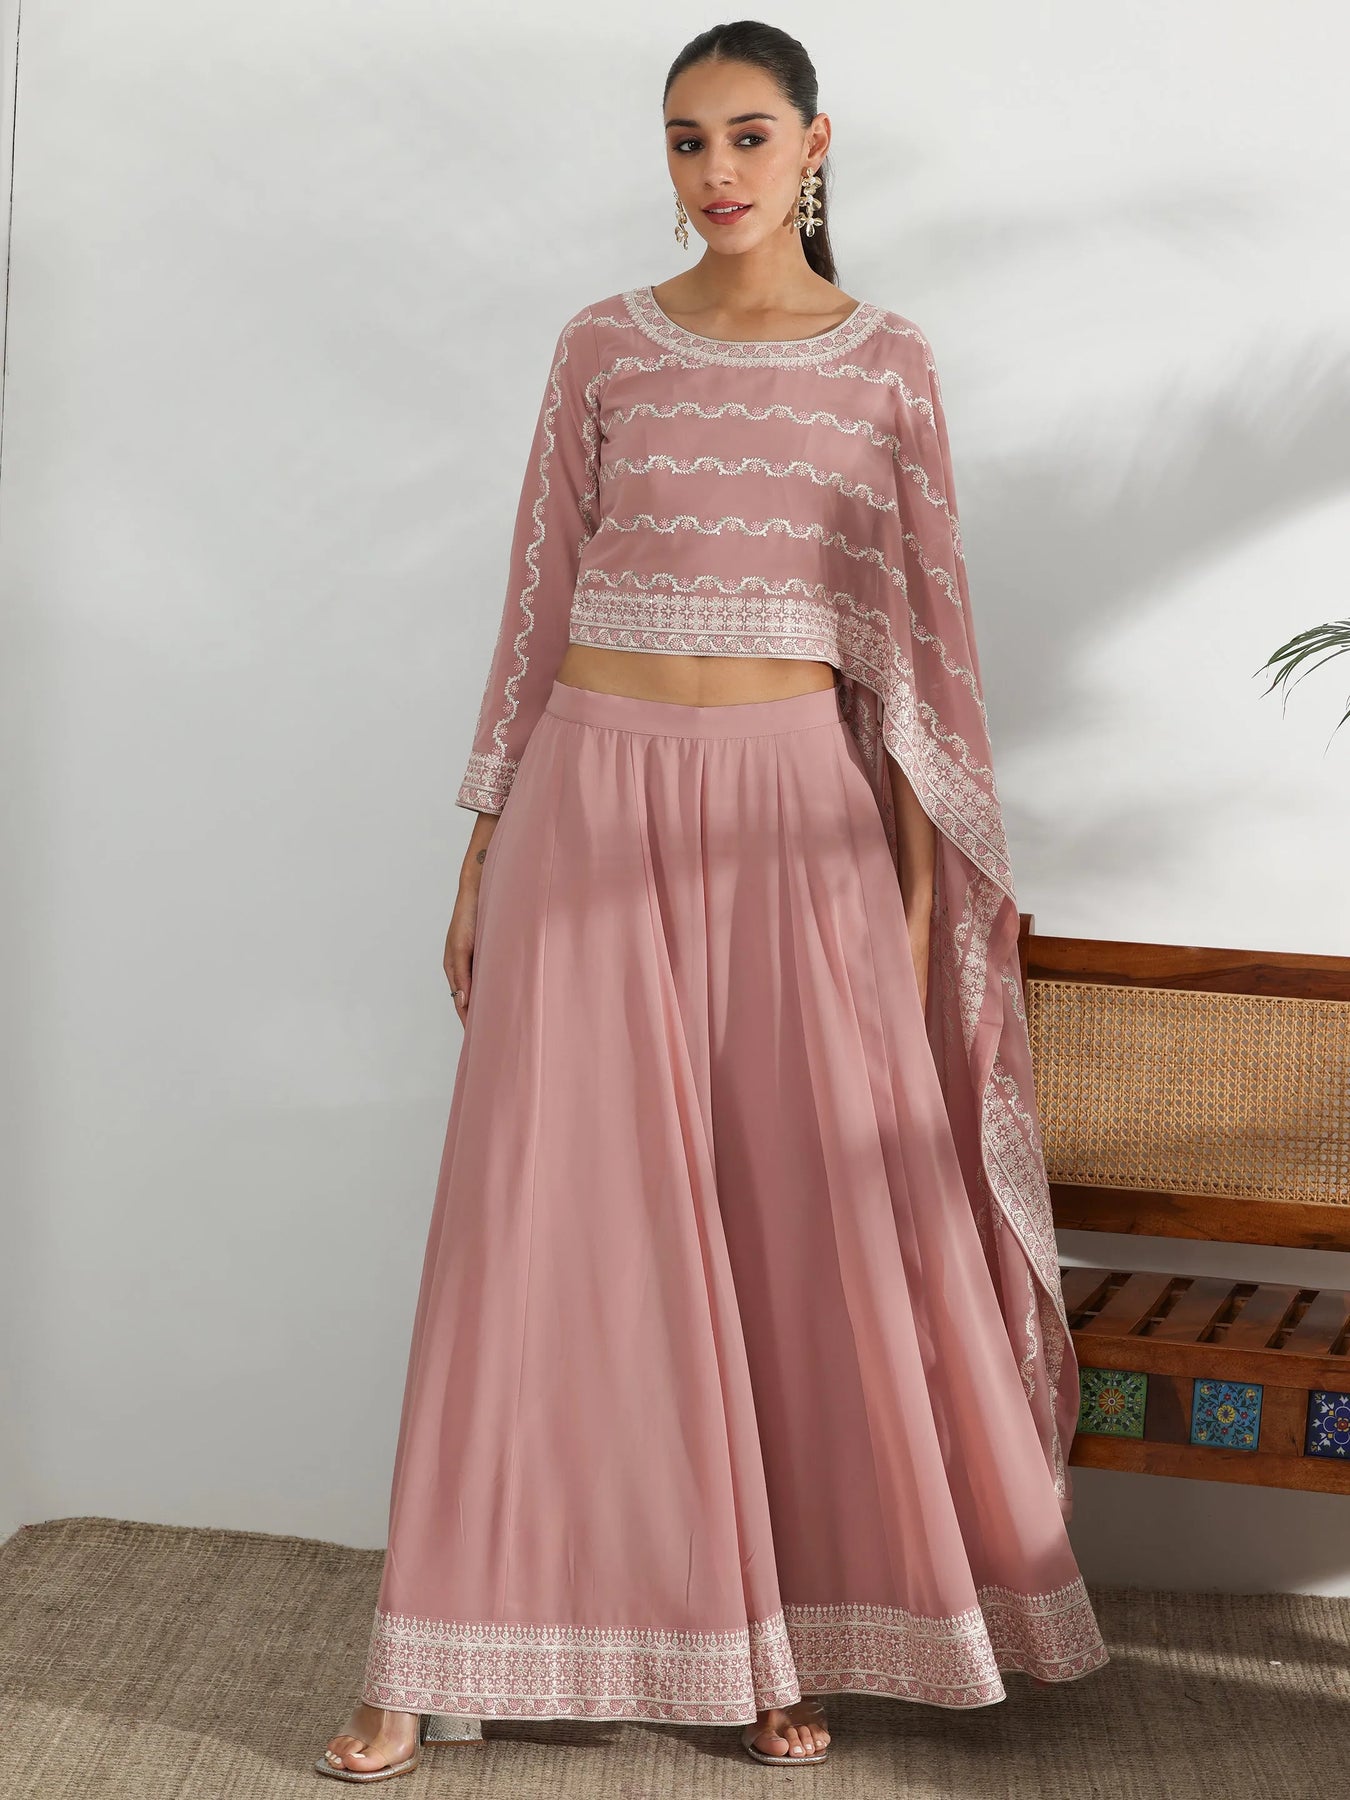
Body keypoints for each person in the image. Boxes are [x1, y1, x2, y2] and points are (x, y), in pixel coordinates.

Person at [318, 18, 1109, 1782]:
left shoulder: (886, 364)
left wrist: (907, 904)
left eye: (748, 136)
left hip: (791, 821)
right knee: (533, 1230)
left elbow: (917, 656)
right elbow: (536, 605)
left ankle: (777, 1644)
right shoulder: (598, 344)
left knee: (785, 1225)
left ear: (817, 146)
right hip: (588, 800)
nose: (716, 171)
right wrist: (479, 842)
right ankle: (414, 1657)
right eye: (685, 140)